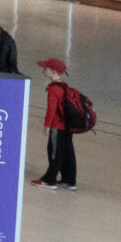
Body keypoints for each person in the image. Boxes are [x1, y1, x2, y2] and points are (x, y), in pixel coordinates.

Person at [33, 58, 84, 192]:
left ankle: (49, 180)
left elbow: (51, 110)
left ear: (53, 71)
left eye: (46, 68)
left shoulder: (53, 89)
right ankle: (69, 180)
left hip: (57, 126)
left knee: (54, 153)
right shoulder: (64, 86)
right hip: (68, 127)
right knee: (68, 153)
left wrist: (47, 126)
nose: (43, 70)